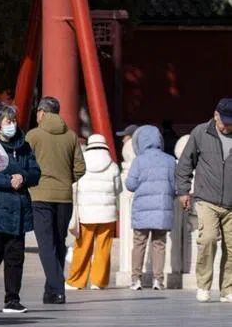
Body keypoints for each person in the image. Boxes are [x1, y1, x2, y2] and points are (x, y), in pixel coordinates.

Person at [0, 103, 41, 314]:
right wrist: (7, 181)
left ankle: (12, 299)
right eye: (8, 121)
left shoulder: (23, 146)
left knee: (15, 257)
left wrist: (24, 178)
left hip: (18, 209)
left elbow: (36, 172)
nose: (12, 124)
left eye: (14, 120)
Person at [26, 96, 85, 304]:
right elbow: (80, 168)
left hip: (40, 195)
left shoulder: (33, 135)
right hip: (64, 197)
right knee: (59, 243)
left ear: (42, 112)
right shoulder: (71, 136)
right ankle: (50, 291)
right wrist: (66, 180)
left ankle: (58, 288)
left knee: (45, 245)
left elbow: (24, 164)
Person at [175, 98, 232, 303]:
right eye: (224, 121)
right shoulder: (200, 133)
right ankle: (203, 285)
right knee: (207, 239)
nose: (227, 126)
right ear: (216, 115)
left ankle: (227, 289)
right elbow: (184, 164)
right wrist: (183, 192)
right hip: (207, 199)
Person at [126, 125, 177, 291]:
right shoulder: (169, 160)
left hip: (142, 209)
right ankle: (158, 280)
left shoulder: (138, 161)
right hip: (162, 209)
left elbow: (130, 185)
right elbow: (175, 187)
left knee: (139, 243)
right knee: (159, 244)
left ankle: (136, 280)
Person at [66, 134, 120, 291]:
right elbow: (118, 190)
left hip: (86, 213)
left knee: (82, 247)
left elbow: (74, 186)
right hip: (107, 214)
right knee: (104, 248)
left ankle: (76, 281)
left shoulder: (81, 164)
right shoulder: (112, 165)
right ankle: (99, 281)